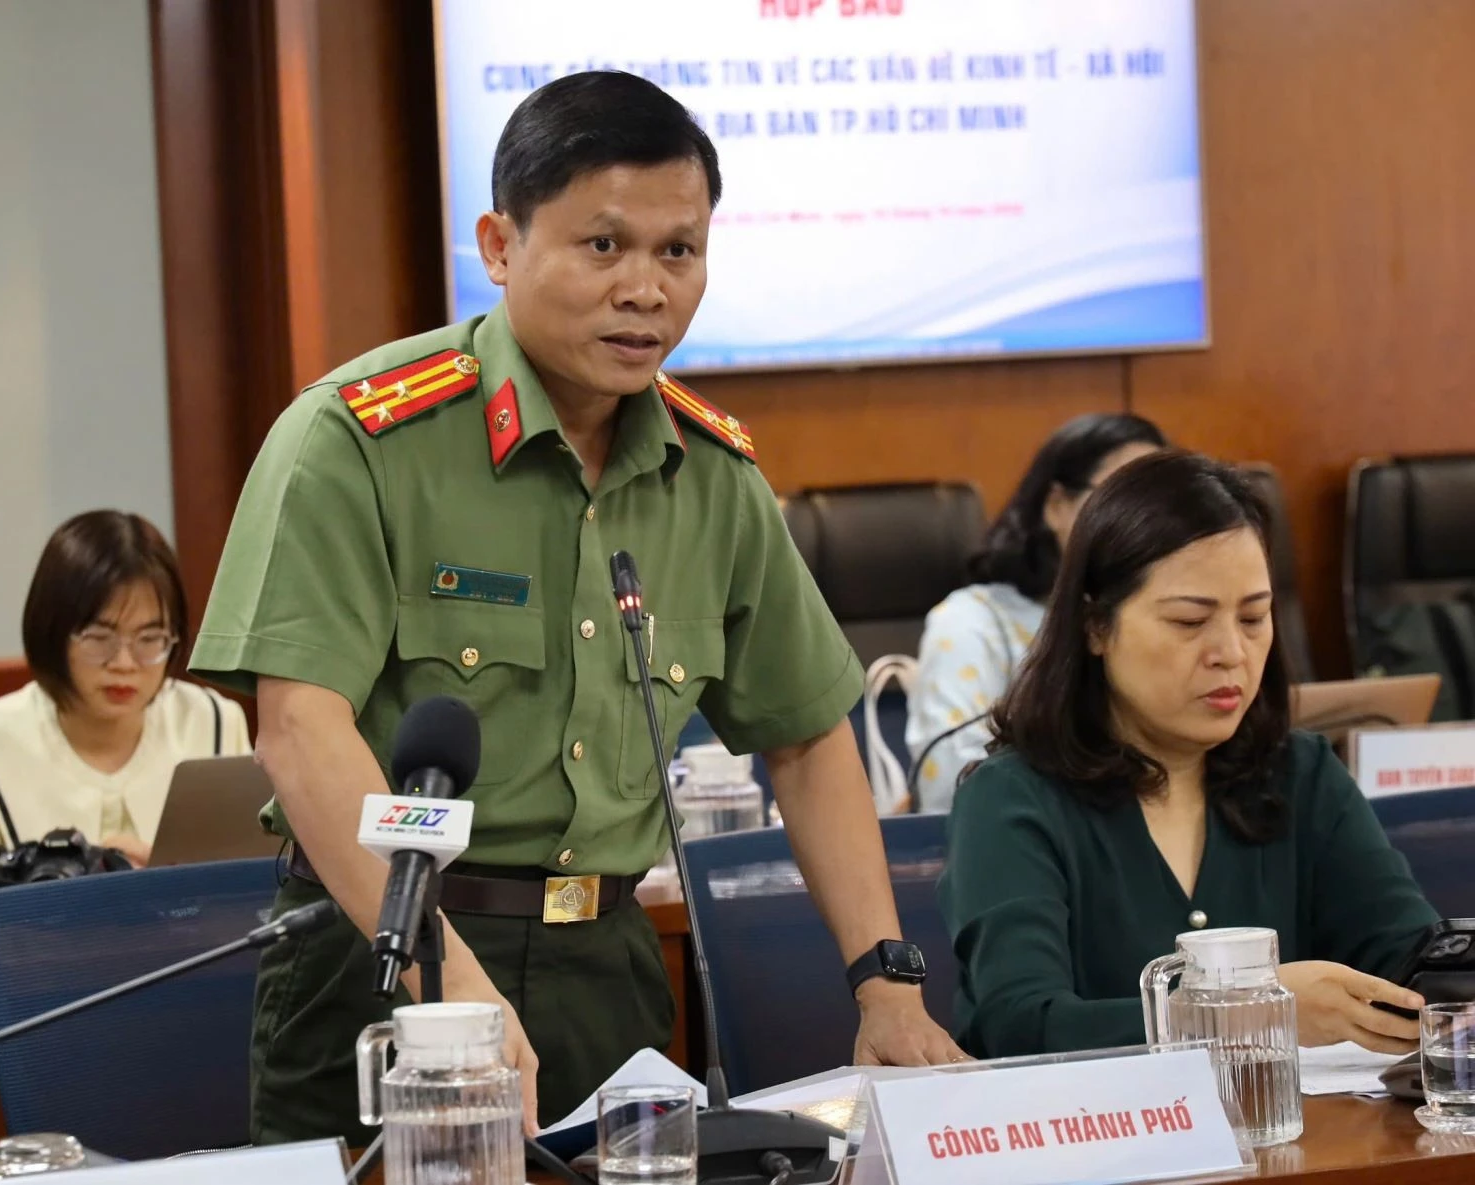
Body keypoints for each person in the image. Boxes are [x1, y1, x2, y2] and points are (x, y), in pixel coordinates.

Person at [190, 69, 964, 1143]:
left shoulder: (713, 475)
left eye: (678, 251)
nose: (645, 288)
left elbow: (805, 736)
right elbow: (299, 727)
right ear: (499, 245)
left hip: (606, 965)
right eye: (604, 245)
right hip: (382, 956)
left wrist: (885, 982)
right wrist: (447, 983)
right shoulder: (360, 441)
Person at [939, 451, 1437, 1060]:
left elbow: (1410, 963)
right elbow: (1019, 1024)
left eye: (1253, 617)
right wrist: (1249, 1013)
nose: (1231, 652)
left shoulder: (1300, 774)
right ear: (1095, 626)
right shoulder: (1010, 797)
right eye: (1189, 621)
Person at [0, 511, 250, 906]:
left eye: (150, 638)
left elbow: (257, 885)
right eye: (99, 638)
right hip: (37, 947)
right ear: (53, 632)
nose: (124, 663)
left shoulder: (212, 722)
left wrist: (175, 888)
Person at [906, 414, 1166, 811]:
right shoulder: (973, 620)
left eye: (1159, 507)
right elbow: (949, 785)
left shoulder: (1171, 622)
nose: (1144, 525)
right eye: (1121, 501)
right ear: (1056, 505)